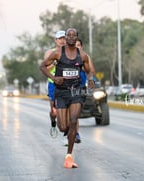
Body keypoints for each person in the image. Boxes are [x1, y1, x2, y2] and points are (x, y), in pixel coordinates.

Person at [39, 28, 94, 169]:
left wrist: (90, 79)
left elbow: (89, 70)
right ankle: (69, 131)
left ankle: (69, 156)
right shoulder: (58, 53)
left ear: (77, 38)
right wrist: (53, 78)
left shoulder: (82, 55)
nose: (70, 37)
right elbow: (42, 66)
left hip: (76, 92)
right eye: (68, 35)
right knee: (63, 126)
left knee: (74, 120)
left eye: (73, 35)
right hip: (61, 92)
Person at [44, 30, 66, 138]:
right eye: (60, 38)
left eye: (64, 38)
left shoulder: (69, 52)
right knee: (54, 111)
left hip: (66, 84)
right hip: (53, 84)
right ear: (56, 40)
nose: (62, 41)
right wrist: (54, 63)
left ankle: (67, 134)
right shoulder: (50, 53)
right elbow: (45, 69)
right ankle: (53, 123)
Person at [74, 38, 96, 143]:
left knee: (75, 113)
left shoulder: (85, 57)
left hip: (80, 88)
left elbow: (92, 71)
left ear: (81, 47)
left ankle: (76, 133)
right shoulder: (66, 56)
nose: (76, 47)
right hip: (67, 88)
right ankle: (68, 131)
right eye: (74, 45)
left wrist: (83, 67)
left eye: (78, 45)